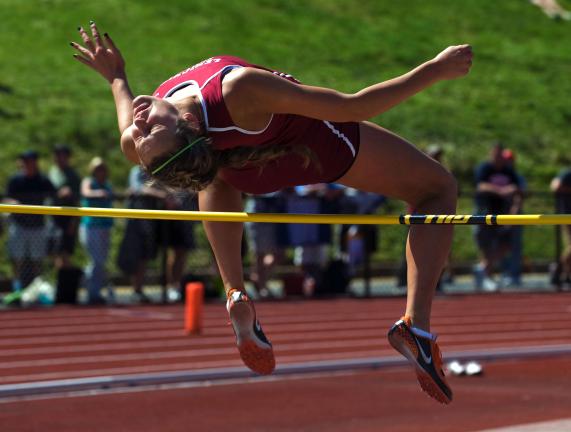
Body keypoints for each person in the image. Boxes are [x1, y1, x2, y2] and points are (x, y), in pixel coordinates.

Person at [71, 22, 473, 404]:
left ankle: (236, 291)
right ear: (188, 122)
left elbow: (129, 118)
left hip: (242, 169)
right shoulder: (238, 90)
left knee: (214, 173)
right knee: (437, 189)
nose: (139, 123)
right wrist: (434, 70)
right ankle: (415, 325)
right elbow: (353, 107)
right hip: (311, 149)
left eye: (140, 133)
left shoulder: (139, 142)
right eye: (149, 132)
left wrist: (117, 76)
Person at [473, 143, 523, 292]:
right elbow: (480, 186)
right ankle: (486, 274)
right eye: (495, 155)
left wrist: (514, 209)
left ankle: (483, 269)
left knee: (506, 244)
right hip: (485, 212)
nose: (498, 158)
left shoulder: (509, 171)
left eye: (500, 155)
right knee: (486, 245)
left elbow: (517, 191)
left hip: (504, 213)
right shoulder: (484, 168)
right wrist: (501, 191)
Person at [3, 151, 55, 291]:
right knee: (17, 260)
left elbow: (54, 194)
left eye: (30, 160)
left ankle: (37, 290)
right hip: (19, 225)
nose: (27, 164)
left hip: (38, 226)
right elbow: (6, 198)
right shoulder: (15, 180)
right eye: (25, 161)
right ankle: (17, 290)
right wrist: (13, 203)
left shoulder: (42, 180)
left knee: (37, 261)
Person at [79, 157, 115, 305]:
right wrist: (98, 193)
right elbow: (85, 192)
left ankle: (95, 290)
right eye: (98, 169)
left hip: (104, 226)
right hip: (91, 226)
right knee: (95, 260)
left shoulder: (107, 184)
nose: (100, 172)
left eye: (102, 169)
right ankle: (91, 291)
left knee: (101, 261)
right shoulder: (88, 182)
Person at [48, 145, 81, 269]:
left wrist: (74, 221)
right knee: (54, 251)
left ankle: (64, 281)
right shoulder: (52, 172)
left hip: (68, 219)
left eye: (63, 155)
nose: (60, 158)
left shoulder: (73, 176)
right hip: (54, 218)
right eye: (57, 155)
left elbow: (78, 200)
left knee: (65, 252)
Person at [550, 168, 571, 287]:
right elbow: (555, 186)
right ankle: (558, 268)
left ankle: (563, 272)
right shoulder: (567, 174)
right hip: (567, 216)